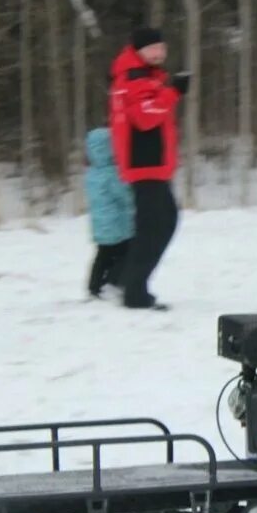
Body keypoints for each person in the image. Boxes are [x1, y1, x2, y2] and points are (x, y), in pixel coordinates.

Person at [109, 27, 189, 310]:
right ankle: (134, 290)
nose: (159, 53)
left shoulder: (144, 76)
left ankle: (126, 280)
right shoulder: (134, 77)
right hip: (145, 164)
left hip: (149, 164)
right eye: (153, 49)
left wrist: (168, 91)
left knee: (161, 223)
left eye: (162, 48)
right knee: (157, 226)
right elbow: (145, 118)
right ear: (138, 51)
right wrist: (173, 93)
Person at [84, 126, 134, 299]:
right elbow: (123, 196)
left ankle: (94, 287)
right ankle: (112, 283)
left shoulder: (91, 173)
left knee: (102, 256)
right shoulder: (112, 173)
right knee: (125, 254)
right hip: (117, 224)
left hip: (100, 225)